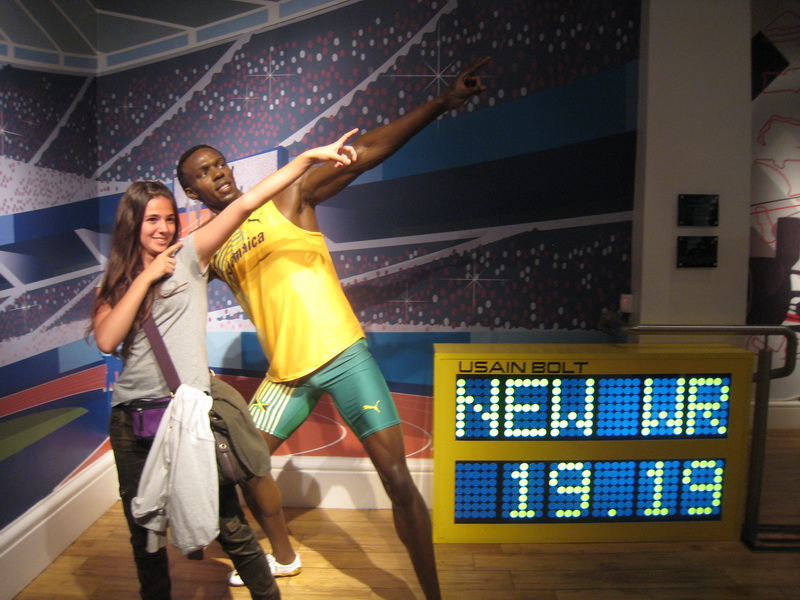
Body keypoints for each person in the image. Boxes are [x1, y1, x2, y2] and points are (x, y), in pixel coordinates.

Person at [177, 56, 489, 600]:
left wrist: (443, 102)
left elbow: (362, 154)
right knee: (240, 467)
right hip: (287, 375)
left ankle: (433, 595)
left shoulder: (282, 197)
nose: (218, 173)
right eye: (204, 172)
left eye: (220, 163)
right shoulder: (210, 247)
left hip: (343, 355)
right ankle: (284, 558)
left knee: (397, 480)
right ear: (191, 191)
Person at [89, 129, 358, 600]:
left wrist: (309, 158)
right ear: (133, 224)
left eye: (169, 219)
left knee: (229, 524)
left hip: (186, 414)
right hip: (132, 420)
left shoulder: (191, 255)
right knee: (144, 533)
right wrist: (146, 278)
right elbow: (108, 339)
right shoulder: (115, 282)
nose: (163, 229)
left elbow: (248, 202)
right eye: (152, 220)